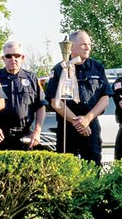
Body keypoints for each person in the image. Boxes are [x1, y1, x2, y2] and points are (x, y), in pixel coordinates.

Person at [44, 30, 112, 163]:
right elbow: (55, 102)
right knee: (66, 169)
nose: (87, 47)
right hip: (67, 127)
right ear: (71, 47)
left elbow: (105, 98)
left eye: (89, 44)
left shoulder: (97, 67)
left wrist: (87, 119)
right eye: (83, 45)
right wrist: (77, 122)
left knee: (93, 168)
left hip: (91, 125)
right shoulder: (60, 69)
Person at [0, 41, 46, 151]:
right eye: (8, 56)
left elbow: (41, 105)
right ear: (3, 58)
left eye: (17, 55)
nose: (13, 59)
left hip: (25, 136)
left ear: (22, 57)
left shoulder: (32, 78)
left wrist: (37, 131)